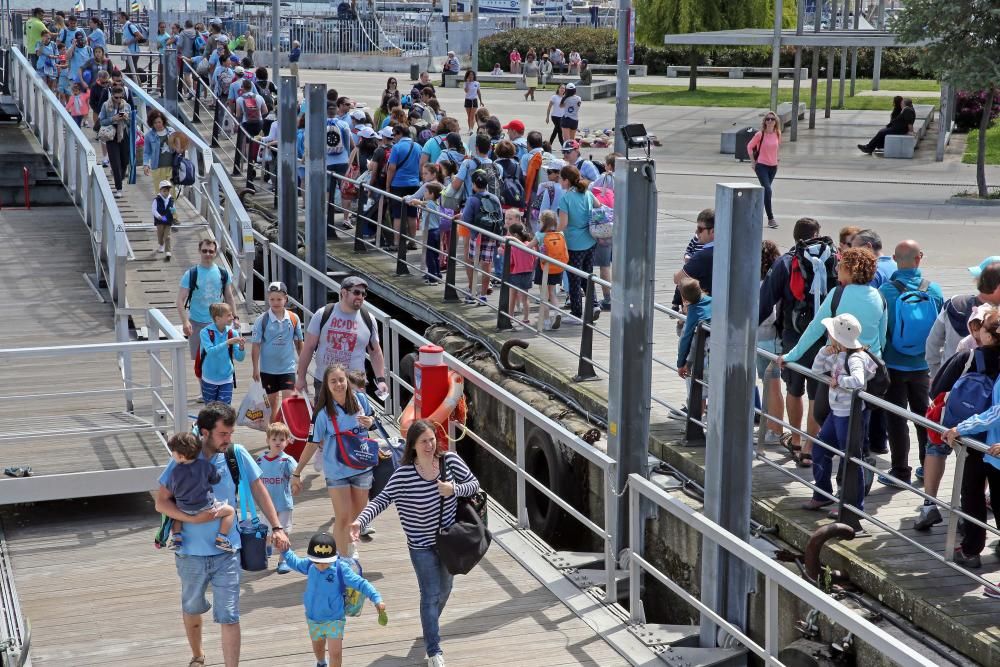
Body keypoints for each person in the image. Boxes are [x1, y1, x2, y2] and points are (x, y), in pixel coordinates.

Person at [154, 403, 290, 667]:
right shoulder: (182, 457)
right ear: (204, 432)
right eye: (223, 434)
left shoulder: (235, 454)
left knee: (229, 615)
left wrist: (277, 526)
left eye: (231, 433)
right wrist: (191, 518)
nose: (229, 439)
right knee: (192, 609)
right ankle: (198, 655)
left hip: (228, 550)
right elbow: (162, 502)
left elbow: (259, 488)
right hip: (190, 553)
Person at [351, 419, 481, 667]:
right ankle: (434, 649)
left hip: (448, 541)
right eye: (424, 441)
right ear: (412, 446)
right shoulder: (403, 474)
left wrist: (453, 489)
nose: (430, 445)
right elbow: (381, 500)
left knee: (444, 591)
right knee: (430, 595)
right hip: (420, 545)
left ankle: (429, 623)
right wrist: (359, 521)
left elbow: (474, 485)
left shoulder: (450, 461)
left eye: (432, 439)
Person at [758, 218, 832, 462]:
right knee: (815, 392)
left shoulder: (787, 261)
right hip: (824, 336)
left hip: (794, 335)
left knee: (794, 388)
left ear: (795, 236)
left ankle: (797, 440)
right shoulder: (832, 258)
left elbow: (764, 300)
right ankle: (811, 447)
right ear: (818, 234)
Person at [877, 241, 943, 490]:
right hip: (922, 365)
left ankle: (900, 471)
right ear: (920, 258)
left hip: (894, 363)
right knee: (923, 417)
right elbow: (939, 329)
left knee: (896, 419)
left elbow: (883, 330)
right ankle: (927, 467)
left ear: (894, 258)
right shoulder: (933, 290)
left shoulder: (886, 290)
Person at [291, 364, 377, 557]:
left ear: (347, 380)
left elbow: (374, 420)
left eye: (341, 379)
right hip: (337, 471)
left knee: (357, 518)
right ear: (327, 386)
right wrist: (297, 472)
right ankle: (344, 560)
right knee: (342, 517)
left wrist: (371, 422)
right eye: (333, 381)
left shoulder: (361, 399)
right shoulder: (322, 414)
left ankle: (351, 550)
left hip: (362, 467)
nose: (339, 384)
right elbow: (312, 443)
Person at [941, 310, 1000, 581]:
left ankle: (971, 548)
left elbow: (939, 388)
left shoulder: (972, 356)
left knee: (972, 492)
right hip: (991, 444)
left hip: (981, 440)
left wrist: (960, 427)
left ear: (988, 334)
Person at [801, 313, 878, 511]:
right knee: (820, 449)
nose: (828, 334)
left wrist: (840, 382)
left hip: (850, 415)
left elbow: (859, 381)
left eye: (831, 332)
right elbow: (816, 371)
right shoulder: (839, 354)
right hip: (837, 413)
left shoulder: (854, 358)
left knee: (851, 458)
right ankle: (823, 494)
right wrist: (824, 352)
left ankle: (853, 505)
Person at [280, 532, 387, 667]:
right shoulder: (309, 565)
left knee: (335, 653)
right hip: (314, 617)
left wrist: (376, 598)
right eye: (317, 562)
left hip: (334, 618)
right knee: (318, 647)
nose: (321, 566)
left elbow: (361, 583)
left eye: (325, 562)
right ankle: (321, 662)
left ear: (334, 557)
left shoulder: (340, 569)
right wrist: (284, 550)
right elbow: (294, 562)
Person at [295, 276, 389, 397]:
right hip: (326, 382)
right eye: (356, 292)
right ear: (344, 293)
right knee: (324, 416)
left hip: (354, 385)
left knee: (355, 416)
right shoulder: (323, 314)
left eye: (363, 294)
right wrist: (301, 377)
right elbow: (308, 347)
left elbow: (375, 352)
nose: (360, 297)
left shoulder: (368, 319)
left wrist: (381, 380)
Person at [926, 259, 1000, 378]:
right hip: (983, 386)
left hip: (949, 380)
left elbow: (932, 343)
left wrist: (937, 376)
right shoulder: (995, 318)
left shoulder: (953, 303)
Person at [164, 432, 237, 553]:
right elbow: (215, 479)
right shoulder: (205, 466)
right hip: (206, 507)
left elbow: (171, 488)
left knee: (175, 516)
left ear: (181, 456)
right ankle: (222, 537)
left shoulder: (175, 471)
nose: (172, 456)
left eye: (173, 453)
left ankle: (176, 537)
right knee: (230, 511)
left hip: (184, 507)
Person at [176, 238, 239, 363]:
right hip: (197, 323)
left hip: (219, 323)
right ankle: (203, 384)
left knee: (223, 359)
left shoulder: (222, 273)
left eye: (211, 251)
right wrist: (185, 322)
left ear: (215, 253)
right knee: (201, 363)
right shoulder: (191, 274)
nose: (207, 254)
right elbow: (179, 300)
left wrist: (235, 317)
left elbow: (229, 297)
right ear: (199, 251)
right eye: (204, 251)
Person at [251, 281, 304, 422]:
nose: (275, 302)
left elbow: (299, 343)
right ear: (268, 299)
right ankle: (273, 430)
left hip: (287, 368)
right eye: (272, 299)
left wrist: (302, 366)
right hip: (268, 369)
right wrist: (255, 368)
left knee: (288, 402)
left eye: (279, 299)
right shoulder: (261, 320)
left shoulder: (294, 318)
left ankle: (284, 429)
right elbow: (255, 345)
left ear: (286, 299)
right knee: (272, 403)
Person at [557, 165, 599, 322]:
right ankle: (594, 304)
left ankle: (576, 313)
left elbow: (563, 224)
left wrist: (550, 233)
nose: (560, 182)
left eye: (561, 179)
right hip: (590, 239)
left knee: (574, 279)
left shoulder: (566, 198)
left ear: (567, 180)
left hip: (574, 244)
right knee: (588, 275)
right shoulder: (587, 193)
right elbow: (599, 207)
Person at [256, 422, 297, 574]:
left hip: (284, 503)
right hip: (266, 504)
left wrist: (296, 483)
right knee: (265, 530)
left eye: (281, 439)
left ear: (287, 441)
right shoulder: (260, 460)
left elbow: (296, 476)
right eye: (274, 439)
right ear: (268, 441)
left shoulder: (287, 460)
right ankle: (266, 546)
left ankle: (283, 560)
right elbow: (254, 479)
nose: (278, 442)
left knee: (284, 532)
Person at [757, 240, 785, 445]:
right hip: (771, 339)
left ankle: (775, 431)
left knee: (772, 386)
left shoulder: (761, 284)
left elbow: (769, 314)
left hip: (767, 340)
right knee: (770, 386)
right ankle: (771, 428)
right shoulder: (776, 280)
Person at [461, 169, 501, 304]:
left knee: (472, 262)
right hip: (490, 235)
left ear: (473, 184)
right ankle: (483, 296)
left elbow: (466, 220)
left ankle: (472, 293)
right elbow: (500, 217)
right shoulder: (494, 198)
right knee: (487, 264)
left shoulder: (472, 199)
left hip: (476, 235)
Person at [386, 123, 422, 263]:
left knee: (397, 215)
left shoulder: (397, 147)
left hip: (398, 184)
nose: (393, 137)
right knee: (412, 214)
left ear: (400, 133)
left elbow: (391, 168)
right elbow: (420, 166)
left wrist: (388, 186)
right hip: (414, 184)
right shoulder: (418, 146)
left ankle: (396, 242)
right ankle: (412, 241)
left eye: (394, 134)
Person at [198, 303, 245, 405]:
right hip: (209, 378)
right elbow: (210, 352)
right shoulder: (205, 332)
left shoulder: (233, 333)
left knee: (224, 411)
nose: (232, 318)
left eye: (232, 314)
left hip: (227, 378)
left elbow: (239, 358)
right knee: (210, 412)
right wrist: (227, 342)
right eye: (228, 315)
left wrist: (241, 348)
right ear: (218, 318)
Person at [530, 210, 565, 330]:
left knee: (544, 295)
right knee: (552, 293)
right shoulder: (560, 234)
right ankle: (557, 312)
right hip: (557, 267)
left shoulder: (539, 235)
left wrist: (514, 241)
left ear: (543, 222)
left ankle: (545, 321)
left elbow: (528, 247)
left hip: (543, 267)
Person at [747, 111, 781, 229]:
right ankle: (771, 219)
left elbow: (776, 147)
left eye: (772, 119)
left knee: (765, 193)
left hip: (773, 166)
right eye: (768, 119)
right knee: (768, 190)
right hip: (761, 165)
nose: (770, 121)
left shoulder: (777, 133)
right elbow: (749, 146)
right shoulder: (759, 134)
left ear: (776, 121)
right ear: (765, 121)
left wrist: (776, 158)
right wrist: (753, 162)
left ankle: (753, 215)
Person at [98, 85, 132, 198]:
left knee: (125, 161)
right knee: (115, 163)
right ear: (112, 96)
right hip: (111, 136)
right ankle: (119, 188)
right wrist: (113, 118)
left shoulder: (126, 106)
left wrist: (126, 118)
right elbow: (102, 121)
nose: (118, 100)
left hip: (123, 135)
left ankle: (119, 178)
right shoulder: (106, 105)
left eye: (120, 97)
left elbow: (131, 123)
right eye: (115, 97)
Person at [676, 278, 712, 379]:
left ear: (684, 298)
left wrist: (680, 364)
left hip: (708, 351)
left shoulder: (694, 313)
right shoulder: (713, 301)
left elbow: (685, 338)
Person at [143, 110, 176, 195]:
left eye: (159, 122)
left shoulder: (172, 131)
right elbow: (147, 152)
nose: (158, 124)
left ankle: (172, 208)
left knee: (171, 193)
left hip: (171, 167)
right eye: (155, 123)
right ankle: (161, 208)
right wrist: (146, 164)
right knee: (160, 194)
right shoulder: (149, 136)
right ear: (151, 124)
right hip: (157, 168)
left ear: (163, 121)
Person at [151, 180, 176, 259]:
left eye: (168, 191)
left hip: (168, 219)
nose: (166, 193)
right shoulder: (156, 200)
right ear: (160, 191)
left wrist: (173, 211)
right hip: (160, 220)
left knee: (167, 236)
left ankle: (168, 251)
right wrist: (158, 216)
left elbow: (174, 208)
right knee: (160, 234)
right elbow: (153, 210)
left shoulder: (171, 199)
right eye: (164, 191)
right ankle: (161, 244)